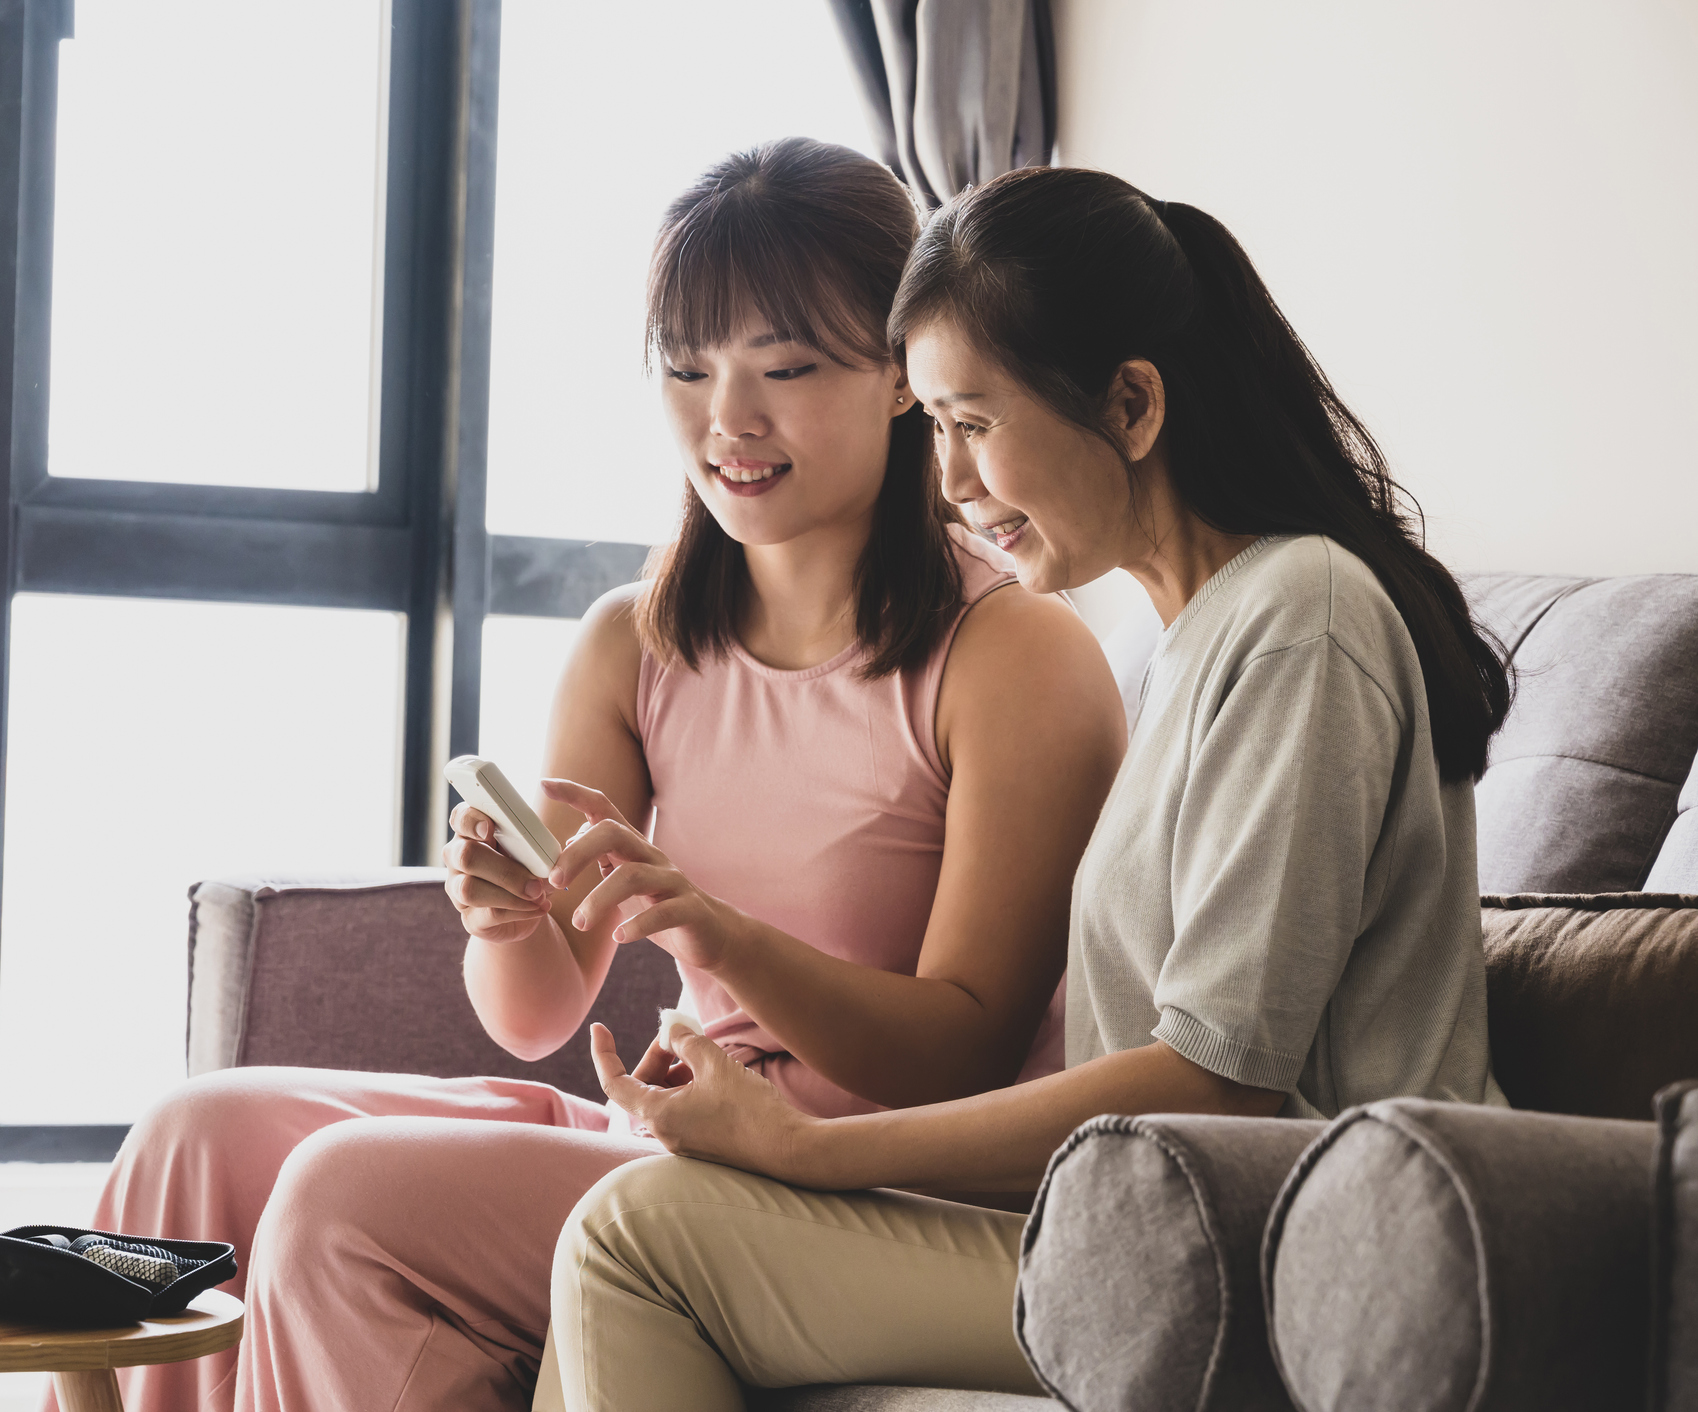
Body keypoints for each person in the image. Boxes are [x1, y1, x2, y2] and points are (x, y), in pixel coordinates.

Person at [74, 140, 1125, 1412]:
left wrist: (717, 934)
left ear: (904, 376)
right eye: (686, 369)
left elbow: (959, 1051)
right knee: (194, 1135)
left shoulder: (1011, 652)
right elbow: (533, 1017)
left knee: (345, 1194)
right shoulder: (632, 640)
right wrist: (506, 914)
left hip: (856, 1175)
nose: (726, 421)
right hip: (673, 1131)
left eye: (784, 369)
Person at [539, 165, 1514, 1409]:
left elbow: (1219, 1080)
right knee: (629, 1235)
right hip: (1160, 1225)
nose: (947, 480)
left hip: (1291, 1257)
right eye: (932, 427)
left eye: (974, 422)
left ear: (1132, 403)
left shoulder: (1299, 617)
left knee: (637, 1234)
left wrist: (813, 1150)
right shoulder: (1194, 641)